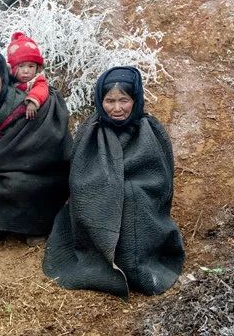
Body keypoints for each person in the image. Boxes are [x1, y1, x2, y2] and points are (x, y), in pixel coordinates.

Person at [43, 66, 185, 298]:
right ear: (100, 100)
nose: (116, 108)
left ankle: (138, 264)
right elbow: (79, 178)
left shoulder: (150, 130)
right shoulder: (90, 131)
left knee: (130, 201)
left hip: (139, 200)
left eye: (124, 100)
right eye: (109, 101)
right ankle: (101, 258)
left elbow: (161, 180)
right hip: (100, 194)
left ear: (135, 99)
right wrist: (109, 189)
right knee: (111, 201)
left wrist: (128, 190)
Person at [0, 48, 70, 246]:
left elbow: (47, 140)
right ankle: (0, 223)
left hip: (32, 168)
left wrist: (12, 158)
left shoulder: (26, 102)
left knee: (21, 183)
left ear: (3, 75)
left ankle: (37, 226)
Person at [5, 32, 50, 120]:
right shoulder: (9, 81)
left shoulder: (37, 80)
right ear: (12, 68)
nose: (26, 71)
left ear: (38, 67)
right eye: (21, 66)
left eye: (31, 66)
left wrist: (33, 101)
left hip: (30, 117)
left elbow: (41, 89)